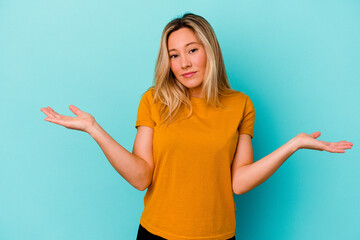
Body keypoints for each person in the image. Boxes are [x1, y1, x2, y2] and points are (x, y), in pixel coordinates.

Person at [40, 13, 353, 240]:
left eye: (192, 50)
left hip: (216, 236)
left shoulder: (240, 105)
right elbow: (140, 177)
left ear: (209, 51)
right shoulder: (153, 100)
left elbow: (240, 182)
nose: (184, 63)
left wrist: (292, 145)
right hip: (157, 234)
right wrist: (95, 129)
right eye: (174, 55)